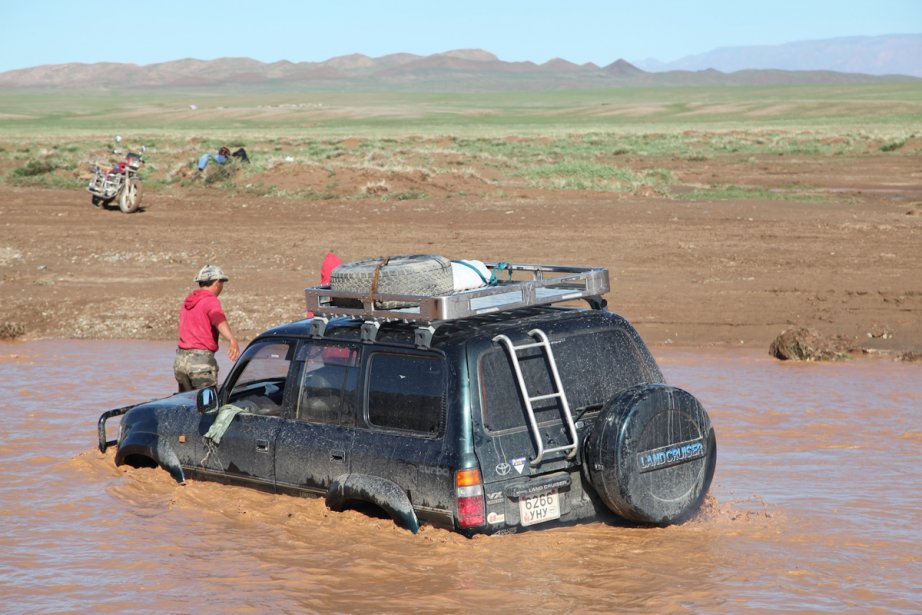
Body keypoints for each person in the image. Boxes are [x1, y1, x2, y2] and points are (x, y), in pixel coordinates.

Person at [174, 264, 241, 392]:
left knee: (186, 403)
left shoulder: (189, 301)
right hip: (200, 362)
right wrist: (231, 339)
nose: (222, 286)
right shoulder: (210, 300)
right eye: (222, 282)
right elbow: (218, 319)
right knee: (207, 406)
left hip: (180, 362)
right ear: (217, 282)